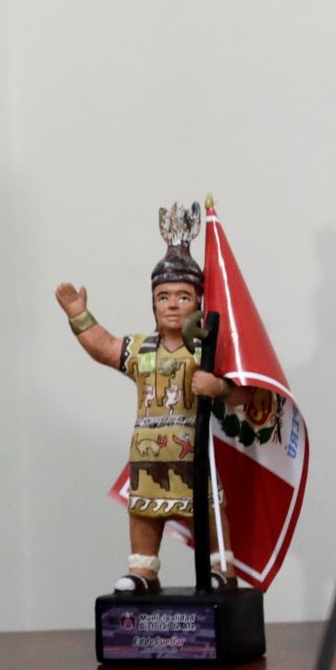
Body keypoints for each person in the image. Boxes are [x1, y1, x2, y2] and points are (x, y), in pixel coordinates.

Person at [55, 201, 253, 595]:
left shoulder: (208, 353)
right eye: (164, 297)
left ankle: (220, 567)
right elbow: (106, 347)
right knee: (144, 510)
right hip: (148, 454)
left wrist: (218, 387)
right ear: (153, 303)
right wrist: (79, 316)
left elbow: (243, 392)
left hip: (192, 451)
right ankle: (143, 569)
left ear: (198, 301)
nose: (173, 305)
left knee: (209, 508)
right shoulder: (141, 350)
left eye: (183, 296)